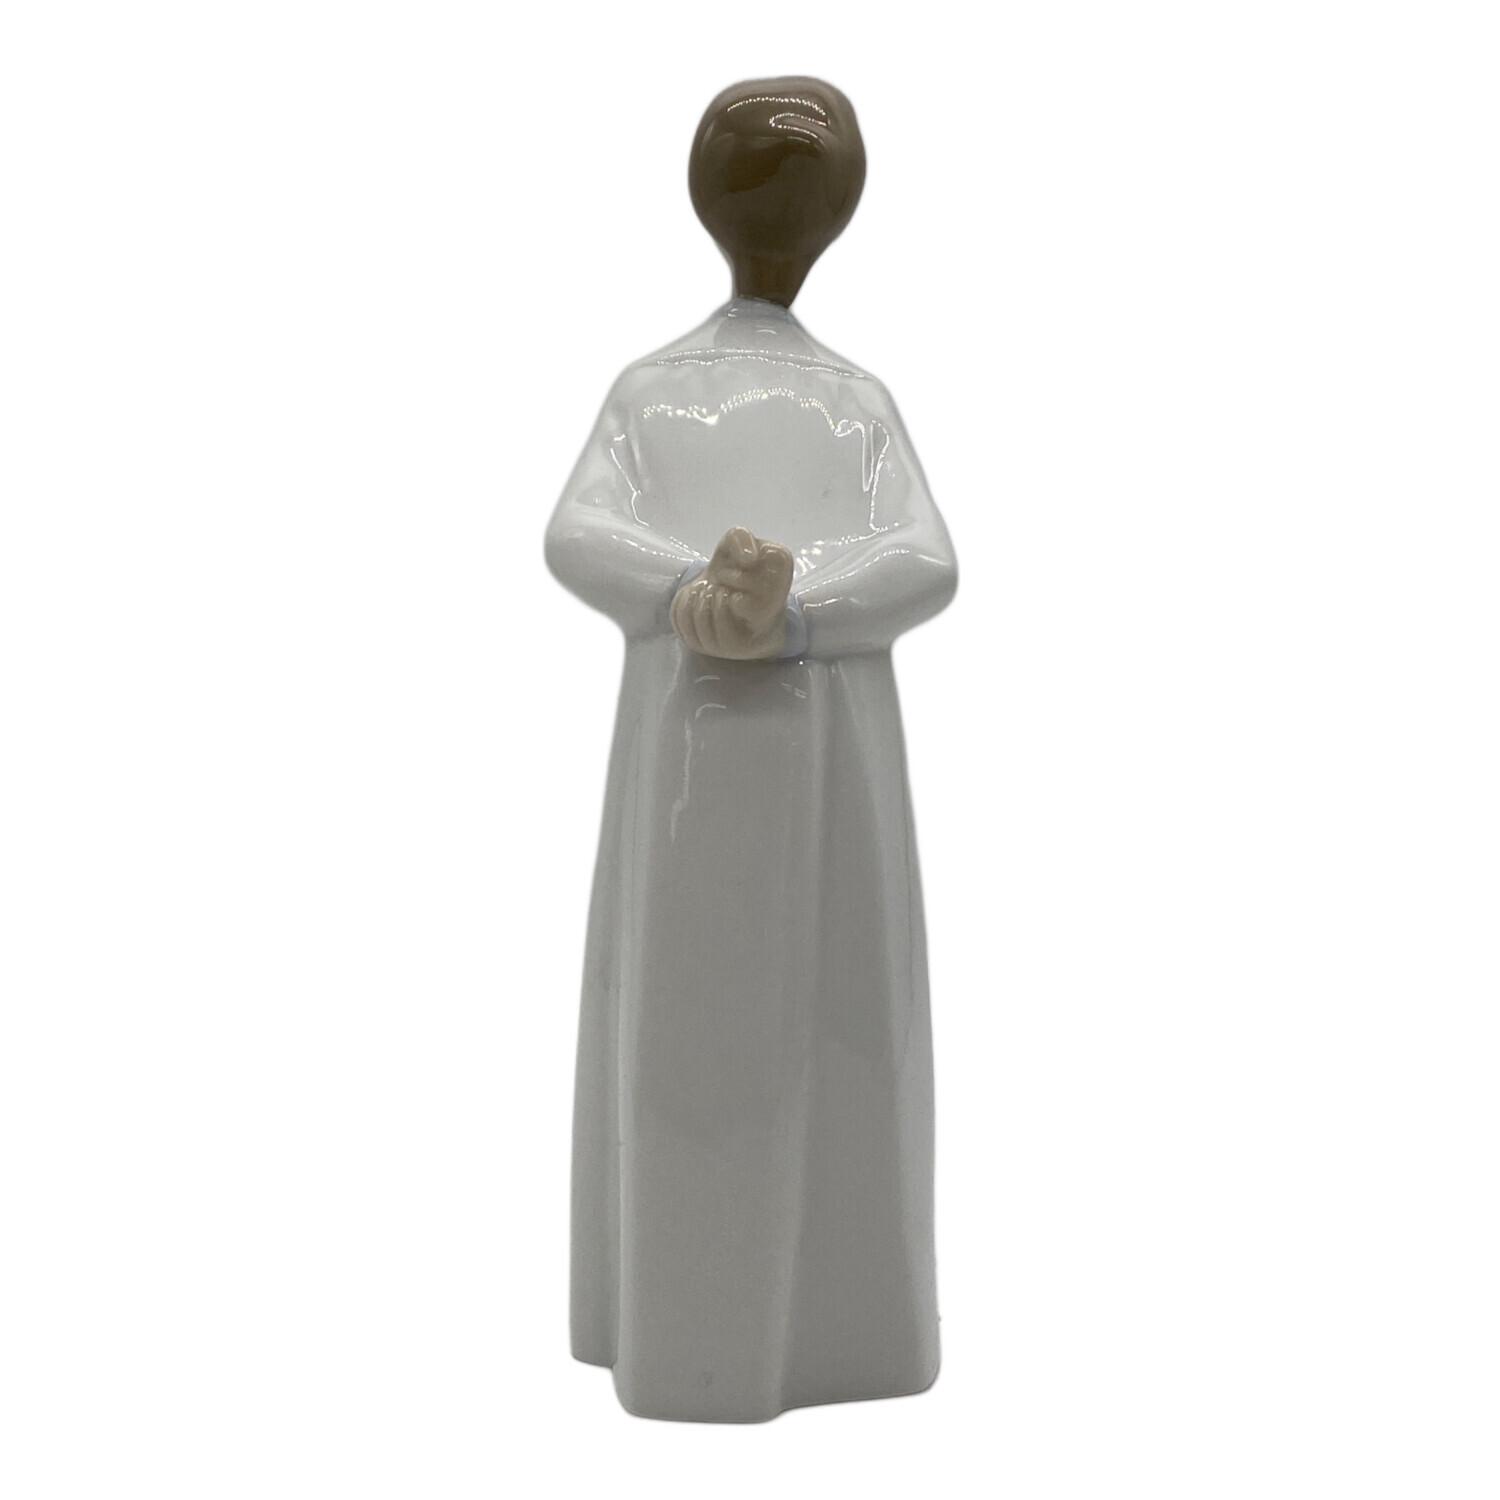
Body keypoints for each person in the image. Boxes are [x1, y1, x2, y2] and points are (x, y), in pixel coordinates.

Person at [546, 77, 958, 1422]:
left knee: (699, 1021)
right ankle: (819, 1331)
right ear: (841, 217)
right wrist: (752, 609)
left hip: (707, 734)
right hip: (803, 750)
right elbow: (919, 562)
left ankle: (697, 1326)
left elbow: (927, 564)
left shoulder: (677, 393)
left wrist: (738, 610)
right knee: (794, 1021)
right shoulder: (841, 401)